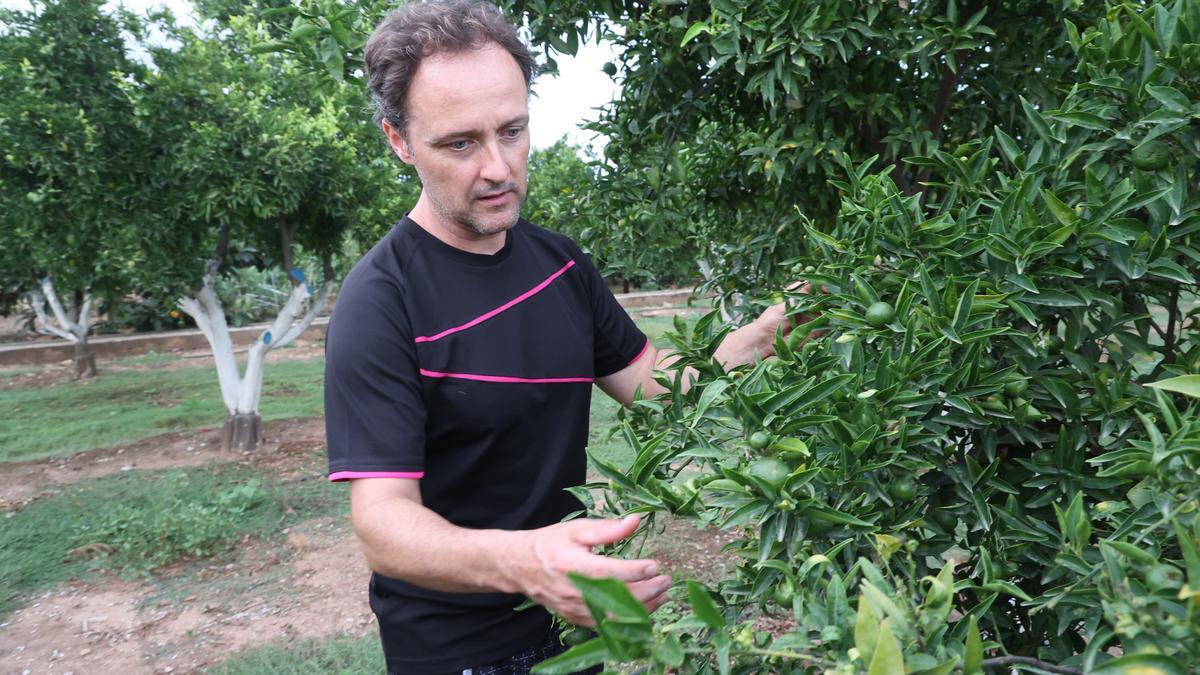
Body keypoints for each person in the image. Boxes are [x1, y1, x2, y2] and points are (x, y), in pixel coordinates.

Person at [323, 2, 798, 673]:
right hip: (458, 651)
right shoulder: (381, 300)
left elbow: (657, 386)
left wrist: (761, 337)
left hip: (574, 625)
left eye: (512, 131)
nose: (497, 167)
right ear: (398, 140)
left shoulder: (561, 267)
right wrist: (527, 562)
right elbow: (383, 524)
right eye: (460, 143)